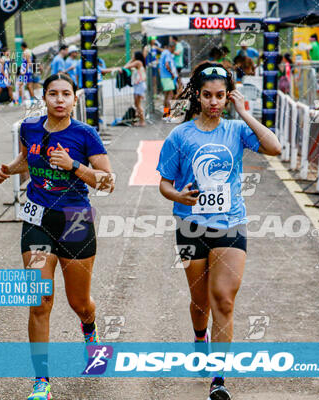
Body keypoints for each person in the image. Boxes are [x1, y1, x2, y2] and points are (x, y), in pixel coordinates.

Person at [156, 62, 281, 400]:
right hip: (189, 226)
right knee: (200, 303)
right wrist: (178, 194)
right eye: (207, 95)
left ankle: (218, 379)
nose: (214, 102)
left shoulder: (236, 130)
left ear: (228, 97)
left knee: (223, 300)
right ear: (197, 95)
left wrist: (245, 112)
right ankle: (200, 338)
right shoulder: (179, 136)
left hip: (230, 223)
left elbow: (274, 147)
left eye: (220, 96)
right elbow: (164, 184)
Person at [0, 73, 114, 400]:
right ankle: (42, 382)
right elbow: (27, 160)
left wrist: (74, 165)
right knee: (39, 302)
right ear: (43, 98)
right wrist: (8, 169)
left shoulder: (85, 135)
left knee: (79, 303)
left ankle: (90, 331)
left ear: (75, 99)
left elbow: (107, 181)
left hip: (75, 222)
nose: (59, 100)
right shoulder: (29, 128)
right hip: (37, 220)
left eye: (65, 94)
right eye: (52, 94)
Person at [104, 51, 147, 126]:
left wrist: (132, 59)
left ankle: (142, 121)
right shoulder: (139, 62)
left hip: (139, 85)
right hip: (138, 85)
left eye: (133, 55)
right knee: (137, 104)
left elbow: (125, 67)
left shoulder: (138, 62)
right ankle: (140, 120)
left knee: (138, 105)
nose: (132, 56)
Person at [159, 41, 178, 119]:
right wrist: (172, 74)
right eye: (174, 48)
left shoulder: (164, 52)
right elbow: (167, 64)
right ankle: (168, 115)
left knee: (166, 95)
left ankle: (165, 113)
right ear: (172, 47)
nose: (175, 50)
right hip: (167, 77)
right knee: (170, 96)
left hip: (164, 76)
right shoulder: (168, 54)